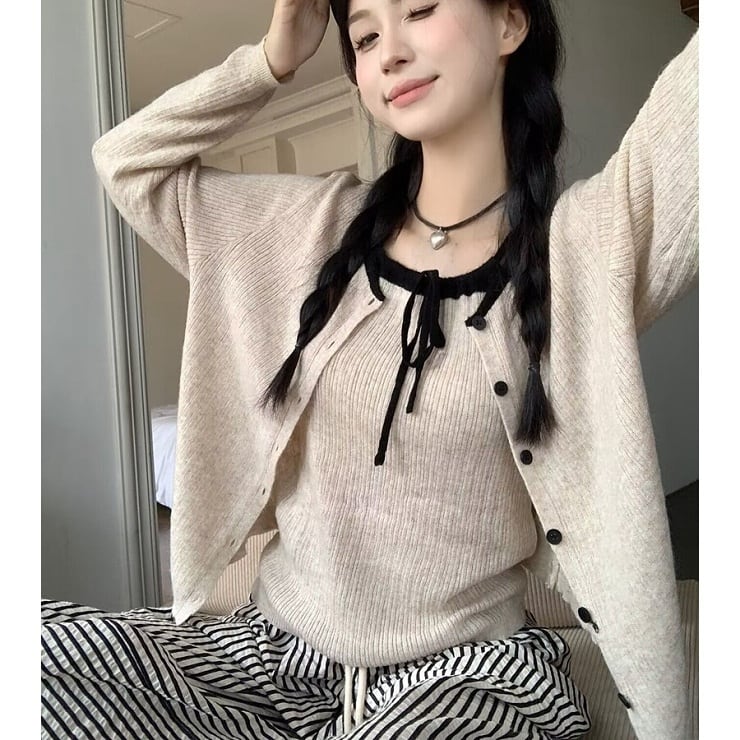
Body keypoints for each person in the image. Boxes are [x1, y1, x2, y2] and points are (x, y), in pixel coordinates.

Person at [41, 1, 698, 738]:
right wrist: (271, 60)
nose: (389, 52)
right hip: (270, 661)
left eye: (420, 9)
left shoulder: (587, 247)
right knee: (43, 661)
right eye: (364, 36)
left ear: (510, 23)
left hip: (466, 680)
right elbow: (128, 163)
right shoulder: (306, 230)